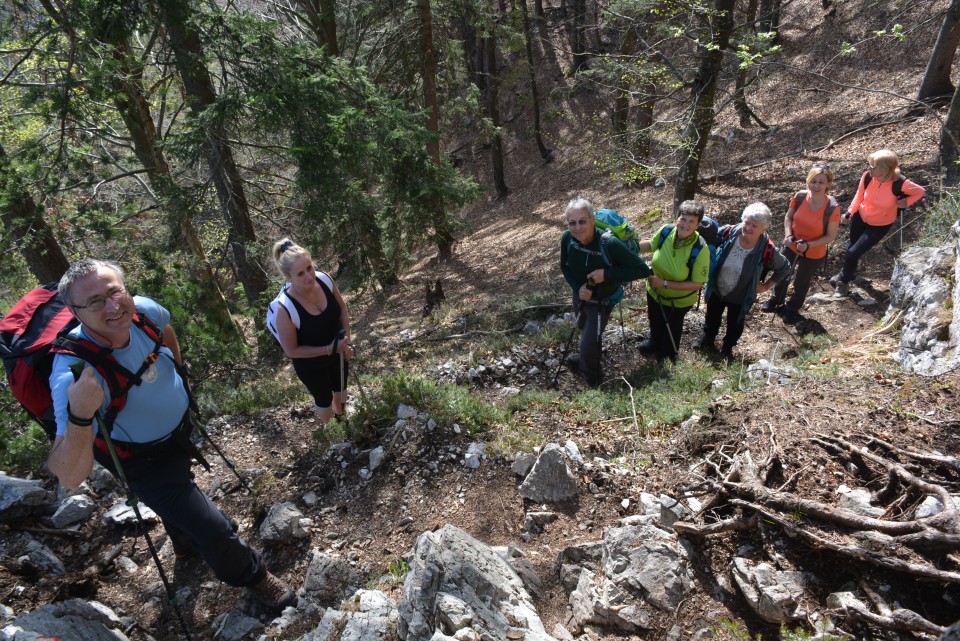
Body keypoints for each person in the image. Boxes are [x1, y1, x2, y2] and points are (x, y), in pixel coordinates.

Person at [47, 258, 295, 611]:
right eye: (95, 301)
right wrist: (81, 413)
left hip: (180, 432)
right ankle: (255, 578)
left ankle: (183, 542)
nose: (113, 306)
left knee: (184, 504)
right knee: (213, 528)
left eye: (115, 291)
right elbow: (68, 474)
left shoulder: (145, 312)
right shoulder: (73, 374)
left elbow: (166, 332)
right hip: (141, 461)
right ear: (74, 311)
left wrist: (179, 377)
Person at [559, 197, 651, 386]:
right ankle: (587, 357)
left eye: (583, 221)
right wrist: (578, 288)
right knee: (583, 328)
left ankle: (593, 380)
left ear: (592, 219)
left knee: (587, 343)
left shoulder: (609, 244)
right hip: (581, 295)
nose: (577, 227)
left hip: (602, 299)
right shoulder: (568, 239)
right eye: (572, 222)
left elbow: (642, 270)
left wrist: (606, 274)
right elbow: (565, 266)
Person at [272, 239, 354, 425]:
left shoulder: (325, 279)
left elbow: (342, 309)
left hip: (338, 350)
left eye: (309, 268)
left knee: (341, 389)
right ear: (289, 277)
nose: (309, 276)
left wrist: (346, 342)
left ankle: (342, 420)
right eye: (300, 274)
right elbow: (291, 351)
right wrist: (328, 349)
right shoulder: (284, 309)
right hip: (310, 365)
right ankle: (330, 430)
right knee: (324, 399)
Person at [694, 203, 791, 359]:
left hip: (742, 295)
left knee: (735, 323)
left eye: (755, 225)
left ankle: (727, 348)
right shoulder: (729, 232)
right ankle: (708, 339)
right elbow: (708, 240)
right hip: (717, 288)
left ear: (763, 229)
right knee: (712, 316)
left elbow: (785, 267)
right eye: (747, 223)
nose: (749, 228)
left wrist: (766, 286)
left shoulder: (767, 248)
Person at [830, 149, 925, 296]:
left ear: (885, 169)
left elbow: (920, 191)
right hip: (860, 217)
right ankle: (849, 274)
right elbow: (859, 195)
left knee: (852, 253)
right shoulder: (867, 177)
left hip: (880, 225)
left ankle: (843, 280)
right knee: (852, 248)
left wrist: (906, 202)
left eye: (873, 166)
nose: (869, 168)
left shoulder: (901, 183)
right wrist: (850, 212)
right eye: (869, 165)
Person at [762, 163, 842, 324]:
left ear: (828, 184)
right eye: (814, 181)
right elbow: (788, 217)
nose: (817, 185)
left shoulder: (832, 207)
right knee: (782, 272)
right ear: (808, 181)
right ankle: (776, 300)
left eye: (821, 182)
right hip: (792, 244)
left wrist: (809, 245)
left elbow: (831, 236)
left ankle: (792, 308)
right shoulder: (799, 196)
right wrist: (788, 235)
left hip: (814, 251)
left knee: (801, 281)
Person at [636, 200, 711, 363]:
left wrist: (664, 283)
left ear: (698, 224)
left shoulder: (700, 248)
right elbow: (651, 244)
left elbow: (698, 283)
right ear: (676, 218)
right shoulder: (666, 231)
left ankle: (668, 356)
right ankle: (654, 344)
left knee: (672, 326)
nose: (685, 224)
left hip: (679, 300)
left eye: (691, 221)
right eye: (683, 219)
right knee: (655, 320)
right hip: (655, 292)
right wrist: (630, 247)